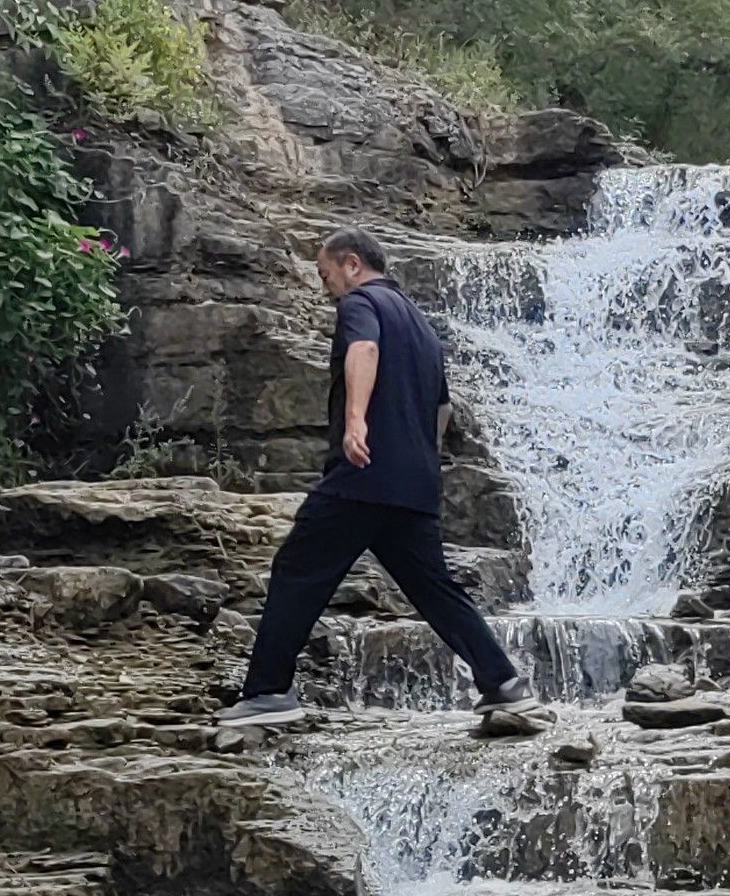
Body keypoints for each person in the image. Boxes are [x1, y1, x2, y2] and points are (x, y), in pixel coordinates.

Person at [218, 231, 547, 742]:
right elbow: (441, 409)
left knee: (297, 569)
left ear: (352, 264)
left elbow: (365, 348)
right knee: (434, 589)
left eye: (325, 274)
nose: (325, 286)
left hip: (363, 474)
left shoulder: (361, 302)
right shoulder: (422, 326)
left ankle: (267, 692)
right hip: (413, 484)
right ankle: (503, 682)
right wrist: (420, 463)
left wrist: (356, 422)